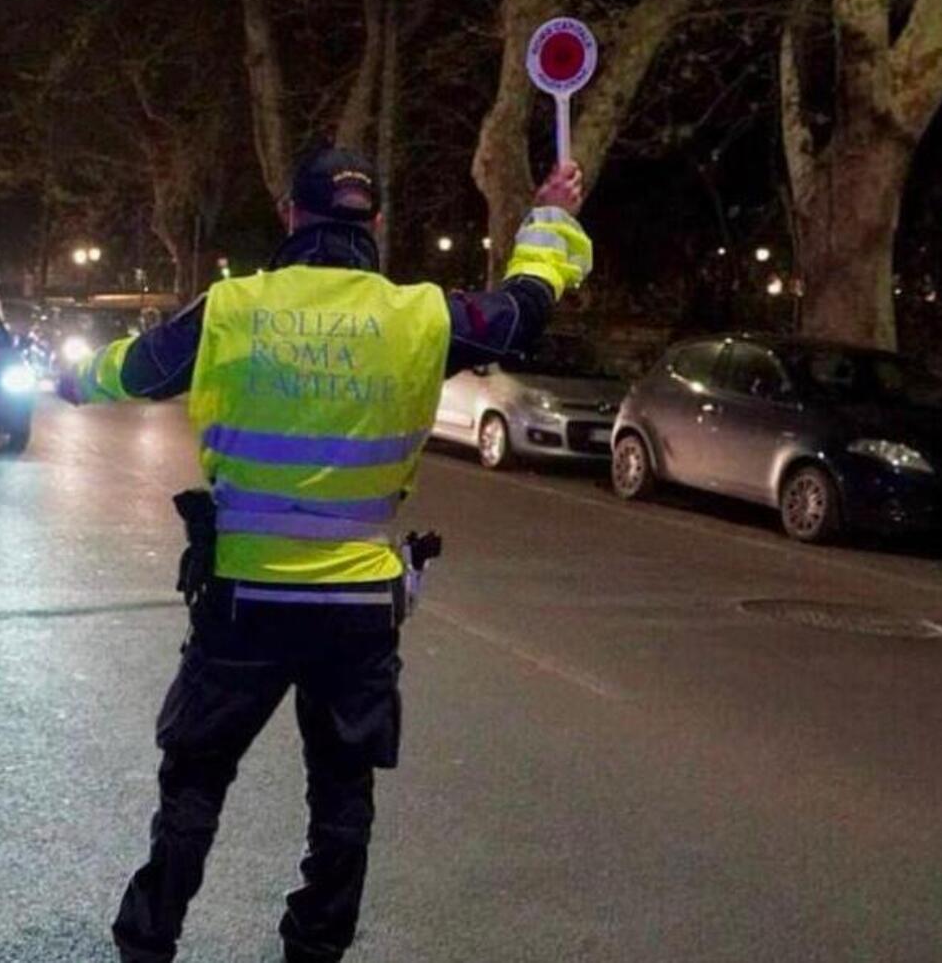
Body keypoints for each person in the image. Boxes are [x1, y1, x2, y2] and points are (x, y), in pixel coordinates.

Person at [59, 146, 591, 963]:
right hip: (356, 611)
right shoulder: (419, 317)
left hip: (244, 601)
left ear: (292, 215)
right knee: (341, 801)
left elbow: (135, 371)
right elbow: (521, 311)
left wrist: (71, 379)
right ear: (372, 223)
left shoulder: (233, 308)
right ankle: (313, 953)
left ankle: (148, 942)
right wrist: (549, 221)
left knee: (196, 782)